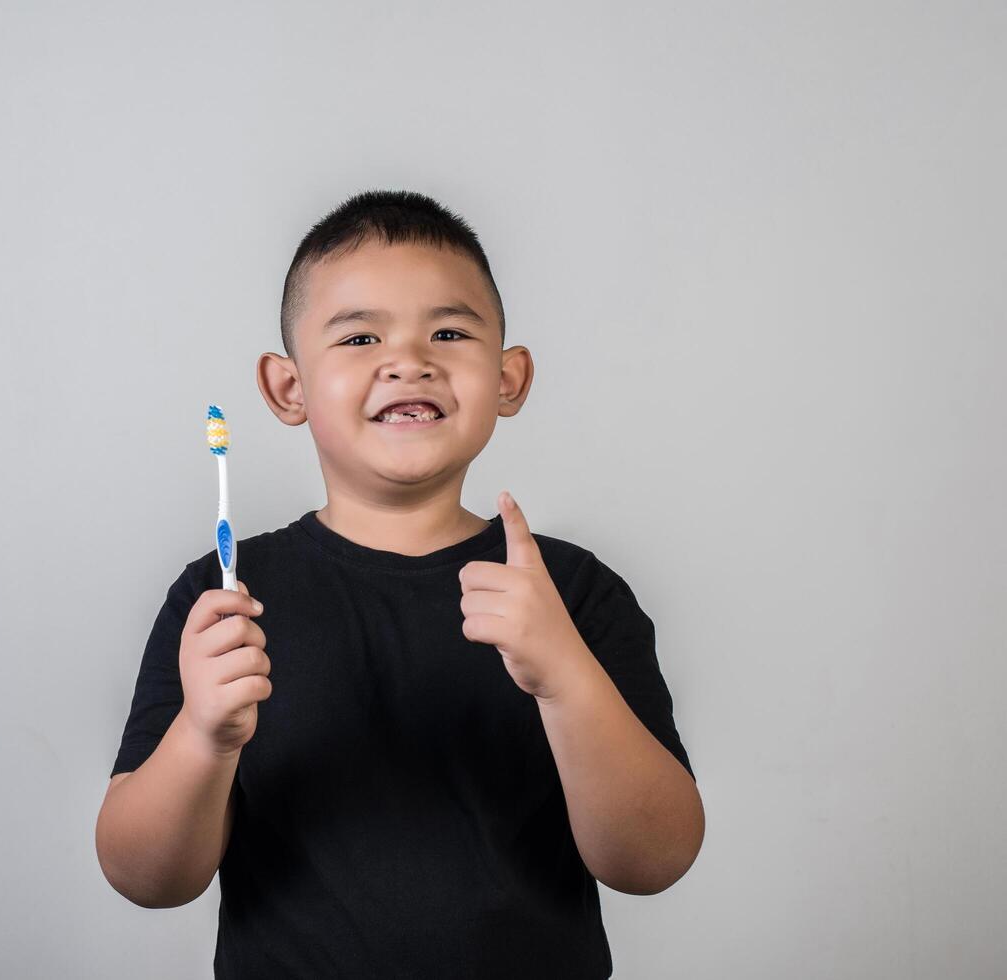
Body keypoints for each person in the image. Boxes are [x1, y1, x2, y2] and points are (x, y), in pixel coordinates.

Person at [95, 189, 705, 978]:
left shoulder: (569, 594)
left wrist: (564, 680)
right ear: (288, 388)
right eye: (358, 336)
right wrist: (203, 736)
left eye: (448, 332)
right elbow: (146, 879)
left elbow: (652, 862)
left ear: (508, 378)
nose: (408, 359)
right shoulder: (224, 597)